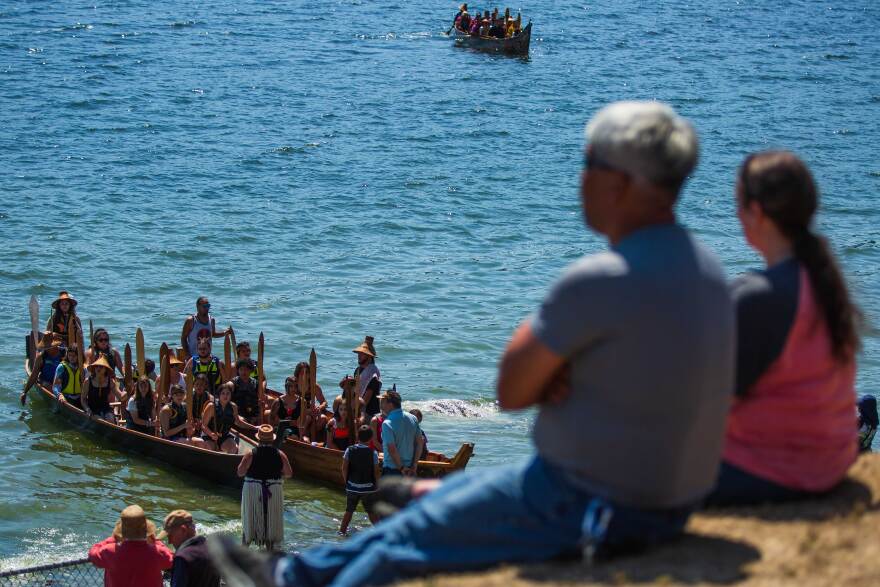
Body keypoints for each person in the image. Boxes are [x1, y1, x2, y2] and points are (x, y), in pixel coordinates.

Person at [208, 101, 735, 585]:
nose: (580, 178)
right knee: (435, 502)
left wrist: (552, 365)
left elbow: (511, 387)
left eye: (588, 161)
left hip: (588, 501)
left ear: (622, 180)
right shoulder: (709, 273)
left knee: (416, 537)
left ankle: (287, 581)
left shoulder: (601, 280)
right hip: (662, 496)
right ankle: (291, 575)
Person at [706, 151, 861, 506]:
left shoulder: (760, 295)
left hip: (774, 471)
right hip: (829, 460)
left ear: (756, 212)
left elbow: (710, 405)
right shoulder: (821, 281)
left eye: (739, 205)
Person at [89, 505, 173, 587]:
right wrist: (155, 541)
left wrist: (112, 539)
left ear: (121, 530)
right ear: (146, 529)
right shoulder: (158, 552)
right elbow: (171, 560)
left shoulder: (109, 552)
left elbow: (92, 553)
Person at [238, 424, 292, 550]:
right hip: (273, 490)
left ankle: (244, 550)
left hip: (253, 490)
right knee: (271, 521)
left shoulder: (250, 454)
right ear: (272, 439)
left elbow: (240, 472)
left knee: (249, 520)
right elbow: (289, 473)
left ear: (258, 439)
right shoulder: (280, 454)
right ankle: (270, 551)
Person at [159, 510, 221, 587]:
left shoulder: (182, 558)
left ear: (183, 529)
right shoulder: (213, 549)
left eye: (170, 536)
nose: (169, 542)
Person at [339, 425, 381, 535]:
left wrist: (346, 482)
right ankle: (381, 533)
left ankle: (341, 531)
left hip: (352, 486)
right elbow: (376, 471)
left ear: (358, 436)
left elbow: (344, 468)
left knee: (349, 511)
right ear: (371, 438)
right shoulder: (373, 453)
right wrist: (378, 485)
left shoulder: (349, 449)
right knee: (371, 512)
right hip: (368, 488)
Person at [202, 383, 255, 453]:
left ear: (231, 395)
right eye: (223, 393)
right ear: (219, 395)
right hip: (209, 436)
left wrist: (254, 427)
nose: (225, 396)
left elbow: (238, 422)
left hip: (224, 436)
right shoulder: (211, 406)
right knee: (210, 449)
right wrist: (211, 434)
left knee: (234, 449)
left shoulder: (233, 407)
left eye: (228, 393)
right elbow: (203, 426)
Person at [380, 389, 422, 477]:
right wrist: (414, 465)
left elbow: (392, 449)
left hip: (392, 470)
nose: (381, 405)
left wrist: (402, 468)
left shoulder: (387, 423)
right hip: (410, 468)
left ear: (390, 404)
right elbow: (419, 443)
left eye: (382, 402)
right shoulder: (413, 418)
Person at [21, 332, 65, 404]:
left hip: (60, 383)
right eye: (46, 347)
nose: (46, 349)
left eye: (48, 347)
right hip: (46, 382)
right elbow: (34, 375)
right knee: (48, 386)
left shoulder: (64, 353)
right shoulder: (41, 356)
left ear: (55, 346)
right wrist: (24, 392)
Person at [82, 355, 122, 422]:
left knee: (110, 419)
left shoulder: (110, 381)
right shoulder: (87, 381)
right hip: (92, 409)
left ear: (105, 369)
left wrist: (129, 390)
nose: (98, 368)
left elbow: (120, 396)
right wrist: (88, 410)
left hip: (106, 408)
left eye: (101, 367)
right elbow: (83, 399)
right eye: (96, 366)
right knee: (99, 420)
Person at [352, 336, 382, 417]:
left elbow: (366, 400)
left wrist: (354, 411)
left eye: (362, 354)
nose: (359, 356)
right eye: (359, 353)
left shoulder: (373, 374)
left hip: (369, 412)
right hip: (356, 406)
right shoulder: (358, 370)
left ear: (369, 356)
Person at [270, 376, 303, 440]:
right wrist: (285, 422)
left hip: (294, 430)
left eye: (295, 386)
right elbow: (271, 420)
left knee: (298, 438)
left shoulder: (302, 402)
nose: (293, 389)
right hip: (280, 428)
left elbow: (303, 422)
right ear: (286, 387)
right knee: (291, 437)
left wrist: (298, 424)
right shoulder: (278, 402)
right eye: (291, 386)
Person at [231, 359, 261, 425]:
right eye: (241, 369)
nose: (243, 372)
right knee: (241, 420)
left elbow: (259, 398)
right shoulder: (234, 382)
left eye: (246, 370)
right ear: (238, 371)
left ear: (250, 371)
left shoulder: (255, 383)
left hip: (252, 413)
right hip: (238, 414)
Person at [191, 373, 214, 437]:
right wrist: (194, 421)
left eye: (201, 385)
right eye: (197, 384)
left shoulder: (210, 398)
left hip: (204, 422)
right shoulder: (189, 397)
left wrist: (201, 421)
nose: (199, 387)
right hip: (192, 421)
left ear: (205, 386)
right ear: (193, 385)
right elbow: (187, 412)